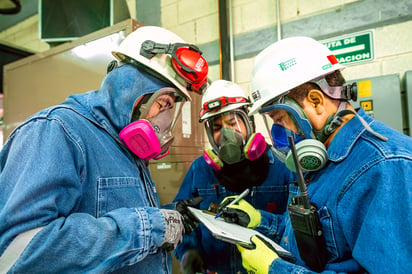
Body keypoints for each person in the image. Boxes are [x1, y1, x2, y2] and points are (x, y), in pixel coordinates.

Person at [0, 26, 209, 273]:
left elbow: (108, 214)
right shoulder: (57, 130)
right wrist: (152, 226)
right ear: (130, 85)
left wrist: (169, 215)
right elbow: (16, 252)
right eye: (162, 103)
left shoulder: (126, 146)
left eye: (170, 108)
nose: (164, 121)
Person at [234, 36, 412, 273]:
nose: (277, 132)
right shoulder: (319, 159)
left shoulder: (383, 168)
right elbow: (320, 242)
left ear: (316, 102)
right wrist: (260, 220)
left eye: (279, 119)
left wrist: (275, 269)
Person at [173, 80, 293, 274]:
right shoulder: (200, 169)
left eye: (233, 123)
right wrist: (188, 252)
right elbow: (183, 218)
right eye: (217, 127)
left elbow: (294, 227)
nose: (226, 133)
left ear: (249, 122)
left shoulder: (283, 166)